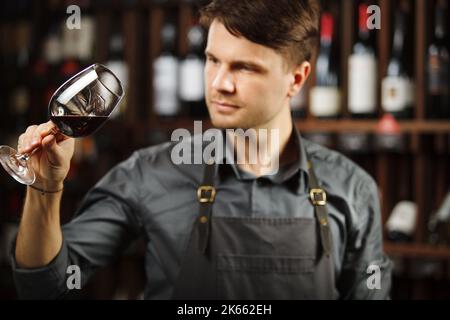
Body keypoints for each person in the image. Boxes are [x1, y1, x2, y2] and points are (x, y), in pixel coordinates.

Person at [11, 0, 392, 299]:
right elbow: (45, 287)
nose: (220, 83)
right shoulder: (150, 173)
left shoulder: (352, 189)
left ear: (297, 78)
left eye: (244, 68)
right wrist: (46, 188)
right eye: (212, 60)